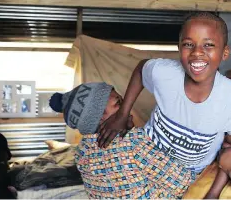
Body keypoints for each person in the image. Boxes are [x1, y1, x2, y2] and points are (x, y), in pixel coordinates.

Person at [97, 11, 231, 175]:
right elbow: (142, 69)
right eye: (188, 44)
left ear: (224, 53)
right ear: (179, 48)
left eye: (208, 45)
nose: (197, 52)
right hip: (145, 155)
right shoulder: (165, 73)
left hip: (193, 172)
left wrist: (213, 192)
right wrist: (122, 113)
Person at [49, 82, 195, 199]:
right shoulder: (133, 142)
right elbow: (184, 183)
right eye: (119, 104)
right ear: (98, 118)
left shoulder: (82, 152)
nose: (127, 111)